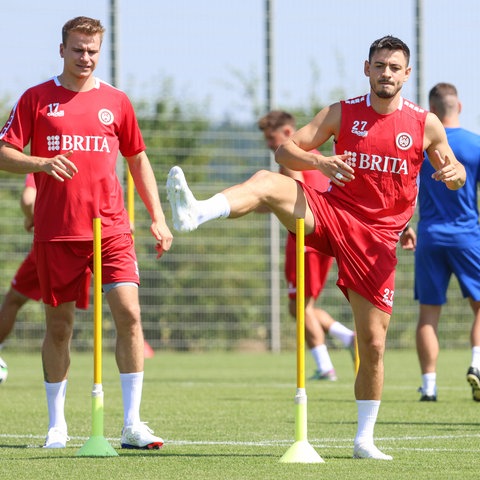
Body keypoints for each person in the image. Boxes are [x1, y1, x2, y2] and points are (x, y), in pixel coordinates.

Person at [166, 35, 466, 460]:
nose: (386, 73)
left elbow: (452, 175)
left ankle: (364, 440)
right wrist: (319, 162)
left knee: (373, 344)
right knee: (267, 182)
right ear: (367, 69)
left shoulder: (425, 123)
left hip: (379, 239)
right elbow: (287, 150)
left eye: (395, 67)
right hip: (331, 213)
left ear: (407, 74)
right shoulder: (342, 113)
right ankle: (197, 212)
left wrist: (453, 174)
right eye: (379, 65)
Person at [0, 16, 173, 449]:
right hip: (57, 233)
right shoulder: (36, 99)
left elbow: (137, 159)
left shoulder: (117, 101)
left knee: (130, 316)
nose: (85, 58)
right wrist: (40, 163)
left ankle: (132, 423)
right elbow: (4, 152)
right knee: (59, 328)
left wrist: (158, 216)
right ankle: (57, 426)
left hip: (112, 229)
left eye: (93, 50)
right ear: (62, 50)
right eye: (78, 49)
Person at [258, 111, 355, 380]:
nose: (269, 144)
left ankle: (325, 367)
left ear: (288, 132)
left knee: (301, 306)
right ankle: (348, 338)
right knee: (301, 306)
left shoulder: (290, 161)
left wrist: (255, 202)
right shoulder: (316, 159)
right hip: (320, 237)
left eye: (272, 138)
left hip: (304, 238)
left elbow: (295, 198)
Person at [400, 83, 480, 402]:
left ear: (431, 112)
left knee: (429, 313)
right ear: (458, 106)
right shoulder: (475, 145)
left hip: (429, 235)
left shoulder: (420, 146)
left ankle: (429, 386)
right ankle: (476, 364)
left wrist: (406, 225)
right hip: (467, 235)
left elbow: (405, 189)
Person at [0, 174, 92, 365]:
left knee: (14, 301)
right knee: (65, 318)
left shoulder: (45, 159)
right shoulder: (91, 154)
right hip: (87, 245)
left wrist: (34, 217)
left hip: (49, 245)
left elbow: (28, 199)